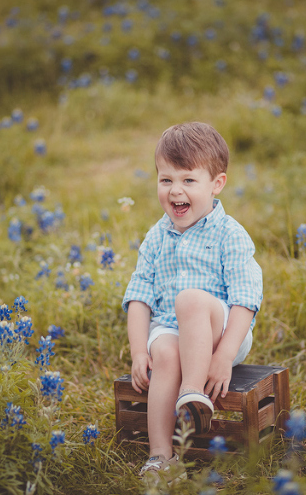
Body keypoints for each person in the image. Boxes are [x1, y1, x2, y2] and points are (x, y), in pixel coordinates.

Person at [122, 122, 263, 478]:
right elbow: (139, 297)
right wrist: (140, 351)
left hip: (223, 332)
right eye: (166, 180)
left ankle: (192, 393)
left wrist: (226, 355)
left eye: (188, 180)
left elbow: (245, 299)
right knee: (165, 353)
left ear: (217, 184)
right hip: (170, 330)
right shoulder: (156, 238)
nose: (175, 191)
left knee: (190, 301)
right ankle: (161, 456)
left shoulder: (230, 234)